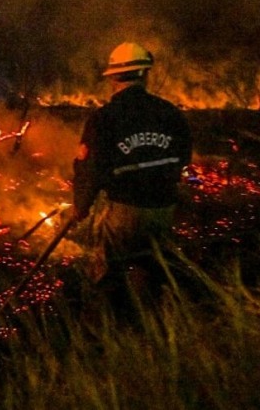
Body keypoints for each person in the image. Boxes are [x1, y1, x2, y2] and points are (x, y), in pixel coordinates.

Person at [71, 42, 193, 307]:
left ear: (113, 77)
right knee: (150, 269)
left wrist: (80, 207)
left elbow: (90, 170)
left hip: (124, 213)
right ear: (145, 74)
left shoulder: (104, 118)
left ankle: (101, 336)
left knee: (104, 276)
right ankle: (151, 330)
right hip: (163, 210)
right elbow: (184, 157)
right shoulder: (170, 113)